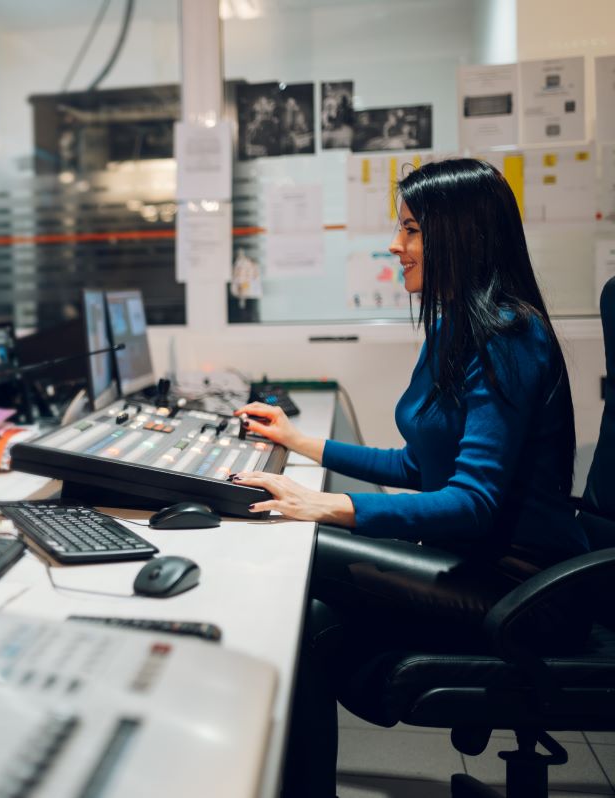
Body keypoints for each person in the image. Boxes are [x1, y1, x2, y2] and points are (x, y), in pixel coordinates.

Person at [230, 158, 591, 796]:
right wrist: (299, 441)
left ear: (461, 235)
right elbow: (419, 468)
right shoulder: (457, 326)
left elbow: (472, 502)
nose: (396, 246)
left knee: (302, 546)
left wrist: (328, 505)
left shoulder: (510, 335)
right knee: (310, 615)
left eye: (412, 230)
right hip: (479, 563)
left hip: (527, 586)